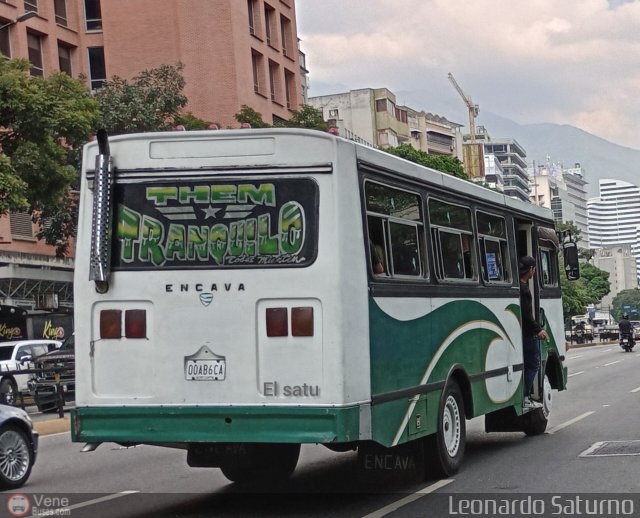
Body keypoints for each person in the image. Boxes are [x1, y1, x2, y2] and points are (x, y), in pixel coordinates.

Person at [519, 255, 548, 409]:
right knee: (534, 364)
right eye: (534, 269)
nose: (534, 272)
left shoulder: (518, 287)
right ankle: (525, 395)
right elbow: (527, 315)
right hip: (527, 333)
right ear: (530, 269)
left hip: (521, 332)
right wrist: (539, 330)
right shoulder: (524, 289)